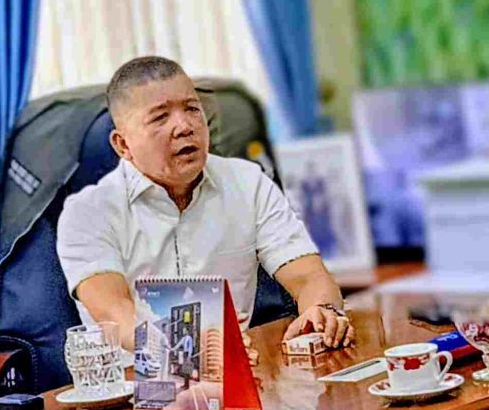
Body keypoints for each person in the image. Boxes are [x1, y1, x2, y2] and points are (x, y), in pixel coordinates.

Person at [56, 56, 352, 350]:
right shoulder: (87, 213)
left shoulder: (248, 183)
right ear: (123, 144)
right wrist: (194, 352)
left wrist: (322, 311)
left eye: (192, 109)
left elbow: (309, 276)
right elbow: (116, 316)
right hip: (138, 377)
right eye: (160, 117)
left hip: (241, 371)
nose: (185, 126)